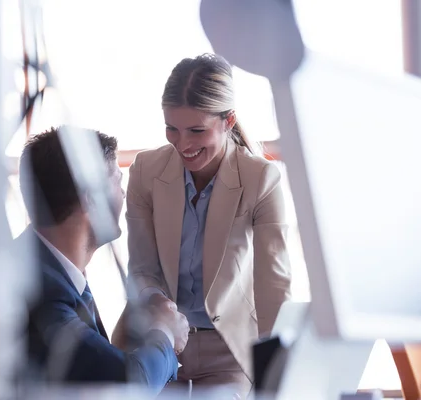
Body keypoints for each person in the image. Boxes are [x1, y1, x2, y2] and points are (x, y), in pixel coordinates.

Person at [126, 54, 292, 395]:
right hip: (159, 343)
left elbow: (273, 287)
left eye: (197, 130)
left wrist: (276, 378)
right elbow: (142, 267)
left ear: (228, 120)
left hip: (229, 352)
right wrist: (157, 305)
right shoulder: (145, 171)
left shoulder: (261, 179)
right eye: (172, 128)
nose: (182, 144)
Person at [18, 126, 189, 392]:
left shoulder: (49, 269)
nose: (123, 194)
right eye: (117, 182)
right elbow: (128, 385)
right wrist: (164, 333)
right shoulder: (41, 293)